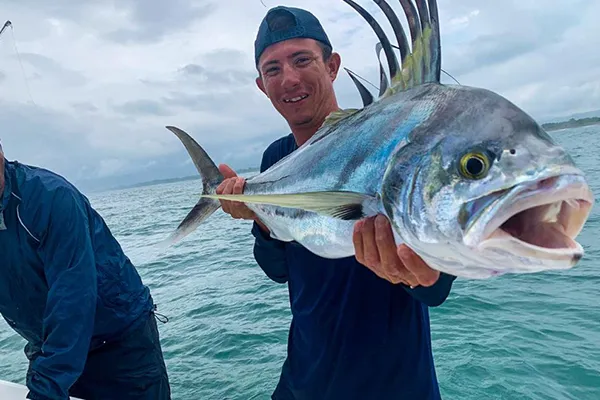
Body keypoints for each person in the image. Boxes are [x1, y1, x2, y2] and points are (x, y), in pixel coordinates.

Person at [215, 5, 457, 400]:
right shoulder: (275, 160)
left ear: (332, 66)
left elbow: (436, 289)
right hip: (302, 382)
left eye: (302, 60)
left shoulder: (389, 141)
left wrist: (422, 271)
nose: (289, 78)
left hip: (394, 387)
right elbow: (280, 271)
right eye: (273, 69)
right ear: (262, 85)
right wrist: (260, 221)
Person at [0, 141, 171, 400]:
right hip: (49, 346)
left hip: (120, 345)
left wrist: (45, 391)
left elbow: (73, 300)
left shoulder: (51, 198)